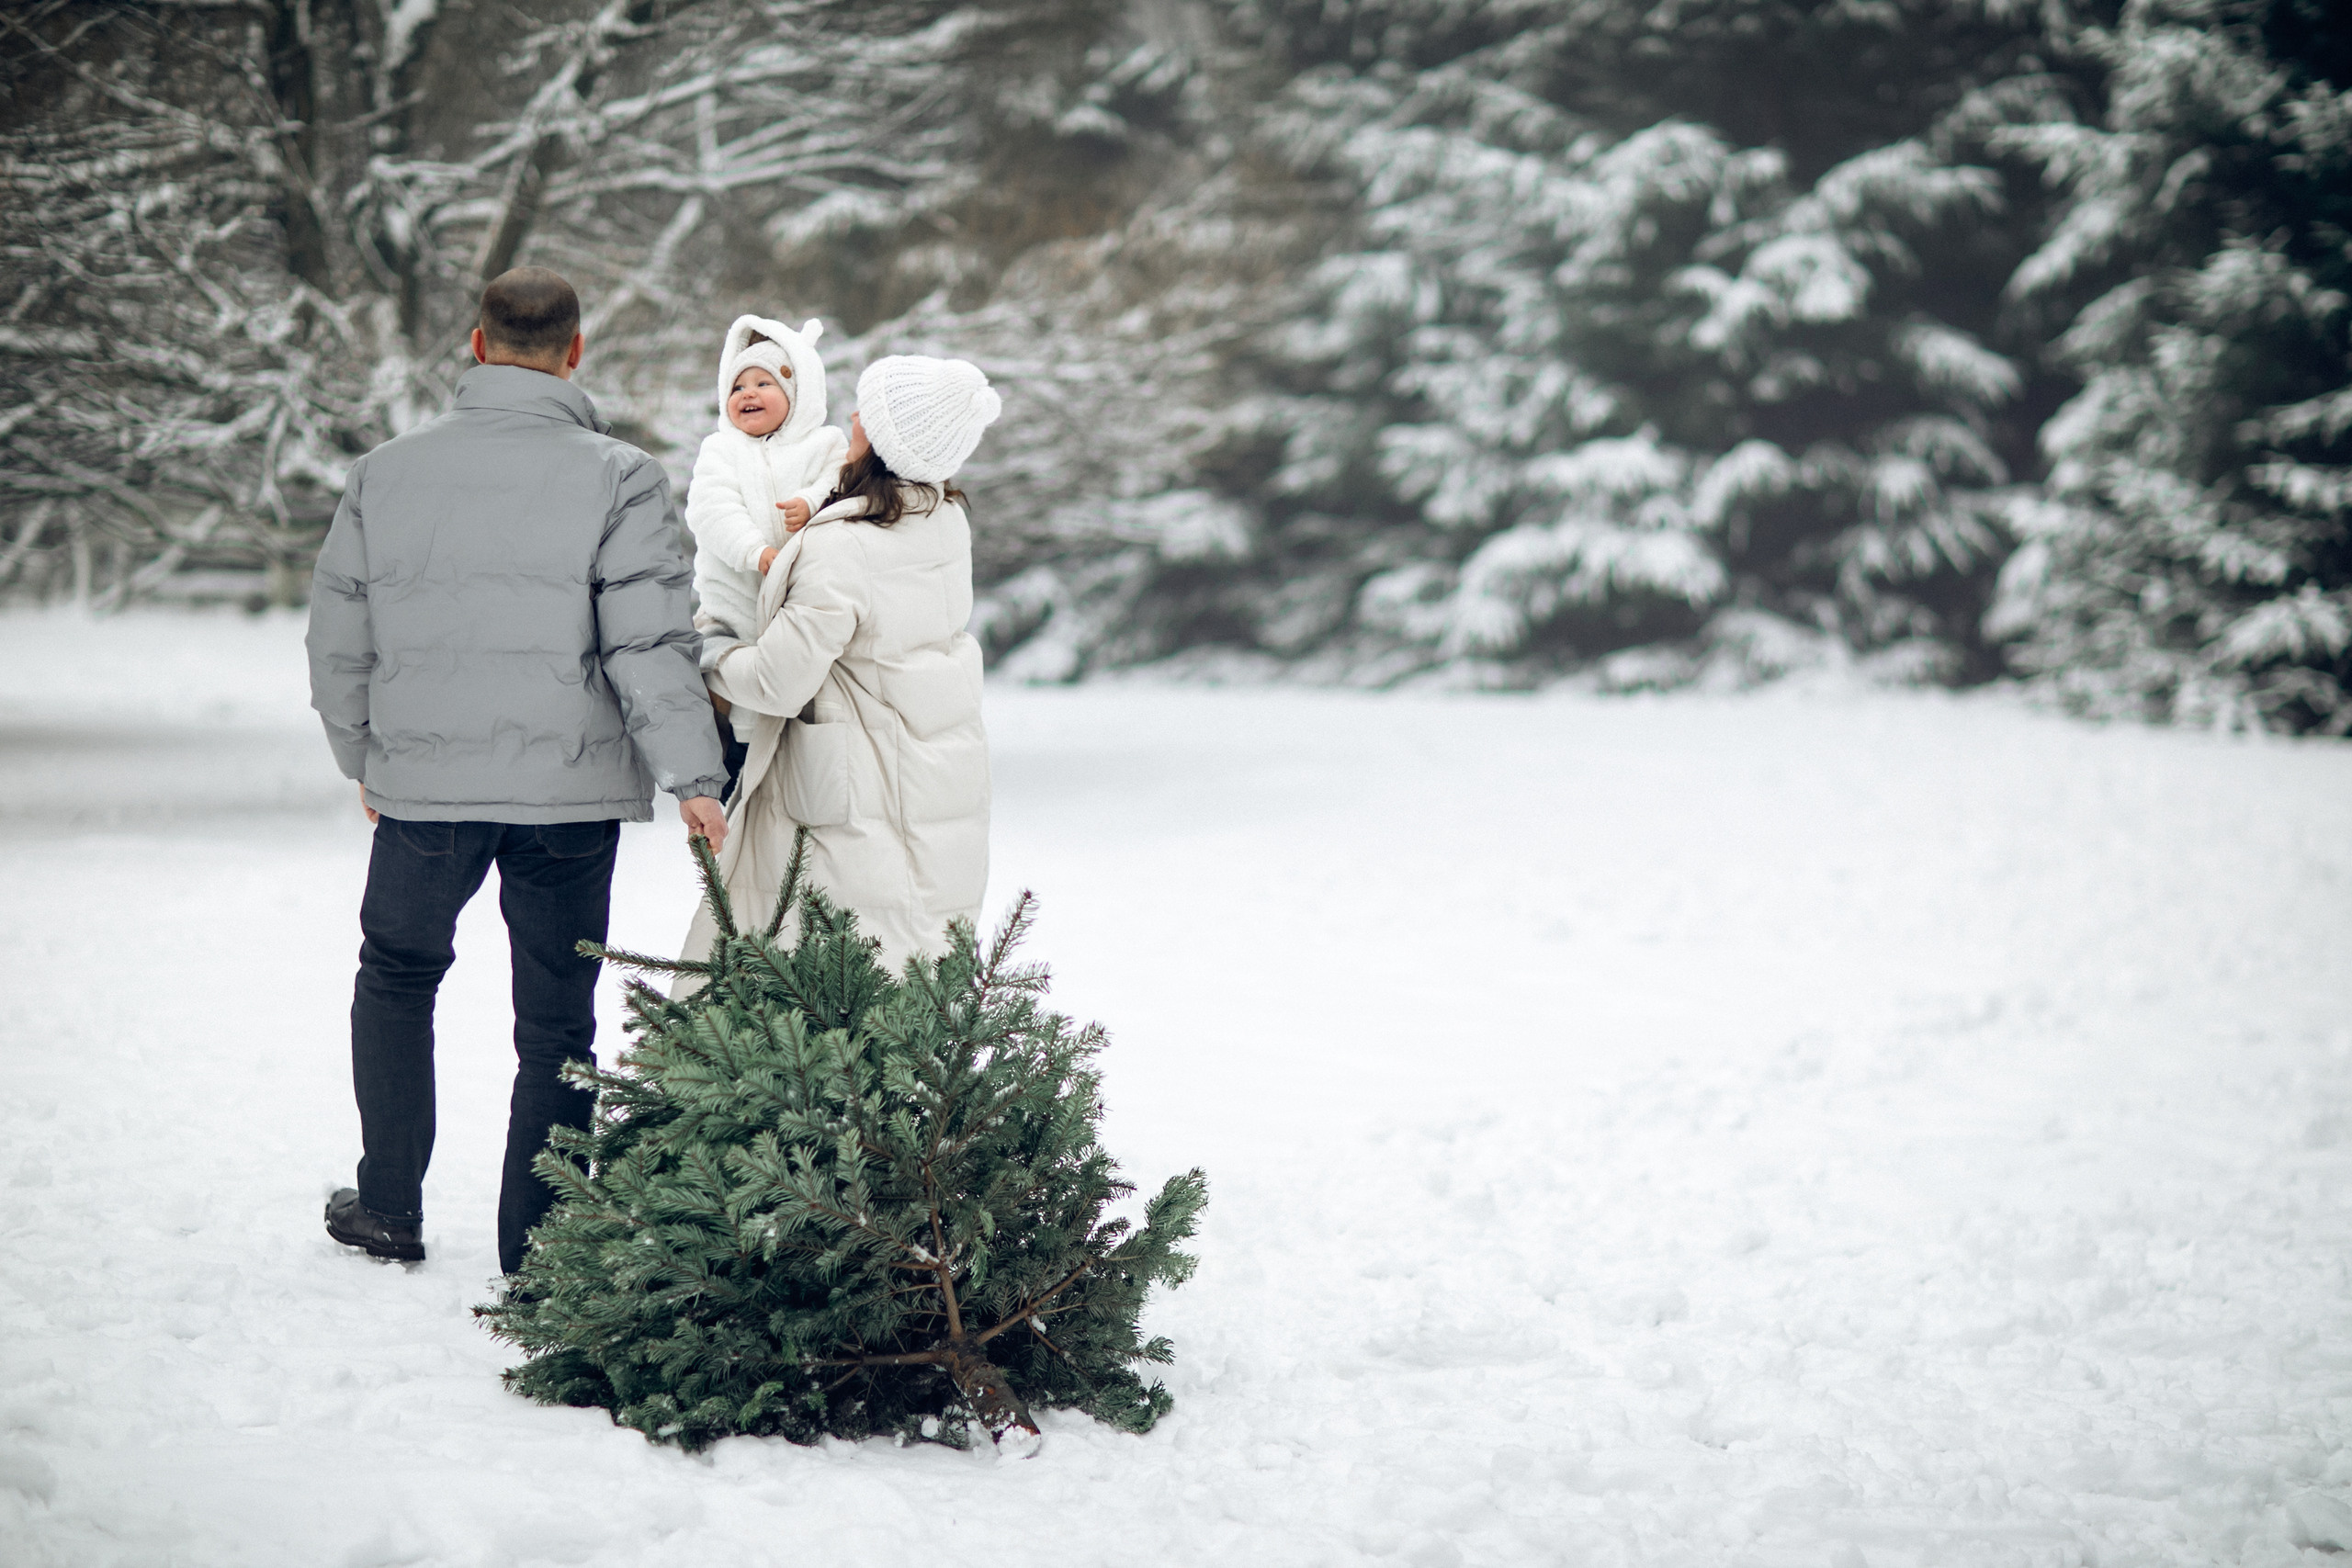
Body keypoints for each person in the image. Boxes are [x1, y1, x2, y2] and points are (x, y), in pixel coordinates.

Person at [305, 266, 729, 1272]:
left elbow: (338, 638)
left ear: (476, 342)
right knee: (556, 1022)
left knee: (398, 979)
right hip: (568, 799)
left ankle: (389, 1207)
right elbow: (647, 644)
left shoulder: (383, 472)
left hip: (426, 792)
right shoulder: (621, 475)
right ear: (575, 350)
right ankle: (538, 1246)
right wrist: (694, 777)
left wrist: (363, 753)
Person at [684, 354, 1000, 977]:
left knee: (831, 994)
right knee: (910, 984)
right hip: (935, 783)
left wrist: (713, 653)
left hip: (860, 804)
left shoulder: (842, 546)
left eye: (866, 415)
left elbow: (777, 681)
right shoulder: (945, 520)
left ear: (883, 442)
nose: (850, 419)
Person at [684, 314, 847, 799]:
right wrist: (757, 552)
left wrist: (813, 502)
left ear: (800, 392)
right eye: (737, 385)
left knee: (796, 730)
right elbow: (710, 511)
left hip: (799, 618)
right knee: (727, 699)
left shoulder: (826, 444)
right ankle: (724, 783)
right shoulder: (721, 450)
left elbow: (840, 484)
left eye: (764, 381)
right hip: (732, 611)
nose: (747, 392)